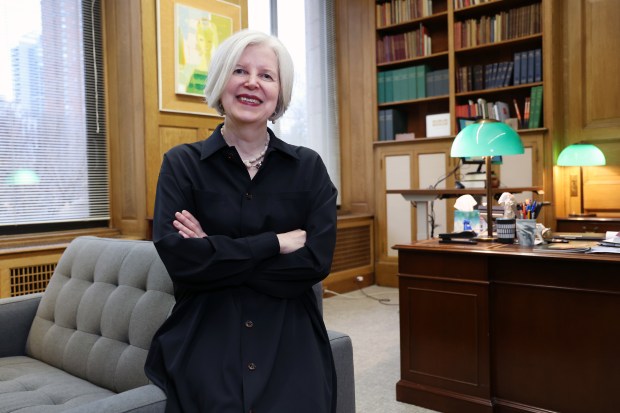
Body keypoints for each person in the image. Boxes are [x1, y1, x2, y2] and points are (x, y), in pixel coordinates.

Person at [145, 29, 339, 413]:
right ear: (220, 82)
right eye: (239, 71)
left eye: (266, 75)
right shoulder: (181, 164)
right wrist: (274, 244)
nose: (252, 83)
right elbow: (180, 260)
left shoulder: (308, 168)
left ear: (279, 92)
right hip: (206, 329)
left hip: (289, 331)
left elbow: (316, 263)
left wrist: (212, 251)